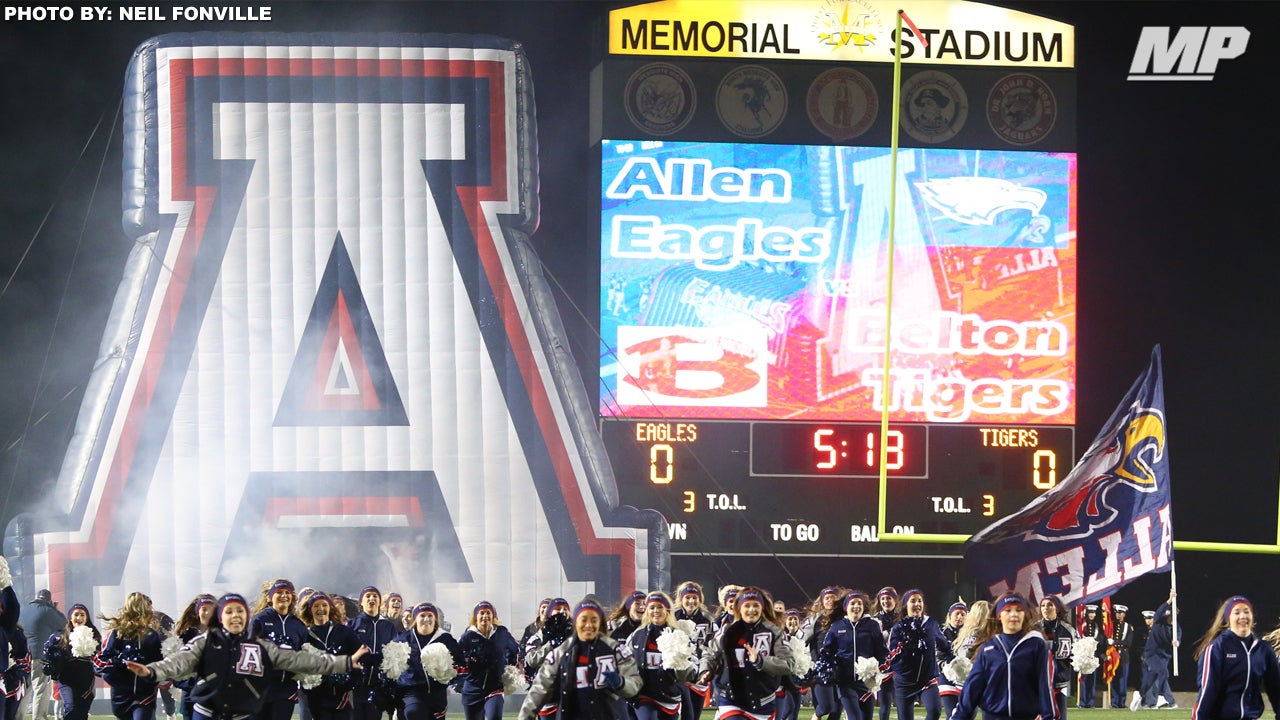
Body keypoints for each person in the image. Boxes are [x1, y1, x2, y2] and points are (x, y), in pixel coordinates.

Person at [122, 594, 368, 720]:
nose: (235, 615)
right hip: (206, 713)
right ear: (221, 617)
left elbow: (300, 660)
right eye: (229, 611)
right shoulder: (204, 642)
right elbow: (179, 662)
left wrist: (344, 662)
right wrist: (151, 671)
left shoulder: (260, 646)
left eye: (240, 611)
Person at [517, 599, 642, 720]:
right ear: (576, 622)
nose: (588, 625)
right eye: (584, 620)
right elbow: (539, 690)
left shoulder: (616, 650)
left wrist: (621, 683)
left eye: (594, 620)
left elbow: (635, 684)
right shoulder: (560, 653)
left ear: (600, 623)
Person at [950, 594, 1055, 720]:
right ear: (999, 615)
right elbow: (972, 688)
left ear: (1024, 615)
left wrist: (1048, 716)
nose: (1014, 614)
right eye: (1008, 610)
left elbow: (1044, 685)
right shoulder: (988, 649)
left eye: (1019, 610)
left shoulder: (1036, 645)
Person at [698, 586, 795, 720]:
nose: (751, 609)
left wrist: (761, 661)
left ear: (762, 607)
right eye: (747, 605)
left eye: (756, 605)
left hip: (762, 701)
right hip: (730, 698)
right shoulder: (727, 630)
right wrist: (706, 670)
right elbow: (710, 653)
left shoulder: (775, 632)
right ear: (739, 608)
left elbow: (788, 664)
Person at [1193, 596, 1280, 720]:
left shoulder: (1263, 650)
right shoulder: (1217, 648)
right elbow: (1207, 691)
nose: (1242, 616)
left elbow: (1276, 689)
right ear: (1228, 618)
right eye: (1237, 612)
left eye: (1246, 611)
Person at [625, 592, 697, 720]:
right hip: (644, 694)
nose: (655, 611)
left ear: (667, 610)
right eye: (652, 607)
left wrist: (680, 664)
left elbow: (690, 673)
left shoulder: (679, 636)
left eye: (660, 607)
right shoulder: (637, 635)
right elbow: (625, 662)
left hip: (669, 695)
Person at [93, 592, 165, 720]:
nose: (151, 613)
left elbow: (160, 664)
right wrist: (119, 662)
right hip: (121, 696)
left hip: (145, 694)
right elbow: (99, 661)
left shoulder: (152, 635)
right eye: (149, 609)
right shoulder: (116, 633)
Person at [818, 590, 887, 720]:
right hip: (845, 682)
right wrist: (829, 669)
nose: (856, 606)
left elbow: (882, 652)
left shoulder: (872, 625)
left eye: (859, 603)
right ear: (846, 608)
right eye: (852, 603)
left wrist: (879, 668)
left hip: (867, 684)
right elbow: (826, 652)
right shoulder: (837, 627)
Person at [885, 589, 953, 720]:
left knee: (935, 711)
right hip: (904, 682)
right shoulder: (898, 627)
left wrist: (952, 659)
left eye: (919, 601)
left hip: (927, 679)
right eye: (913, 601)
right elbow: (891, 654)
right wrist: (906, 646)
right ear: (906, 605)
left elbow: (943, 645)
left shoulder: (931, 624)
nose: (917, 604)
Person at [299, 592, 362, 720]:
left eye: (324, 605)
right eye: (316, 606)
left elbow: (359, 655)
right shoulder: (305, 636)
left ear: (330, 608)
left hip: (342, 696)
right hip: (317, 698)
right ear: (310, 610)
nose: (320, 609)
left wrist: (351, 679)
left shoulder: (343, 631)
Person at [396, 603, 462, 720]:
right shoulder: (403, 639)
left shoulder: (445, 638)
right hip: (411, 692)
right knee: (414, 713)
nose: (426, 619)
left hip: (438, 695)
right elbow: (391, 666)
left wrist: (453, 676)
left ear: (435, 619)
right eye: (422, 615)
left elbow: (459, 663)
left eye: (430, 615)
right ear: (415, 618)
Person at [456, 601, 520, 720]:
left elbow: (516, 649)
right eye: (482, 613)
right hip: (472, 689)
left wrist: (511, 668)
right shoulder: (467, 636)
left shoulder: (502, 632)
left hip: (495, 687)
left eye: (488, 612)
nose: (485, 616)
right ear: (476, 617)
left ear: (493, 616)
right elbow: (455, 659)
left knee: (494, 717)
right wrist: (460, 681)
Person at [42, 603, 100, 720]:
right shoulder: (59, 635)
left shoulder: (94, 635)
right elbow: (47, 651)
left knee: (82, 712)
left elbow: (100, 655)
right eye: (76, 614)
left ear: (87, 617)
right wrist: (53, 660)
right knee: (71, 708)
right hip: (66, 679)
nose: (79, 618)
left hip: (86, 680)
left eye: (82, 615)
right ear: (70, 617)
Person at [347, 587, 398, 720]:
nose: (372, 599)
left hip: (378, 686)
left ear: (380, 602)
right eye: (368, 596)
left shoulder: (388, 626)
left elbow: (395, 653)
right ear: (361, 602)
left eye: (375, 596)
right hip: (355, 685)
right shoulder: (352, 624)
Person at [672, 582, 714, 720]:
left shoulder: (707, 618)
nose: (691, 601)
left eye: (694, 597)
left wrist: (707, 667)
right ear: (680, 599)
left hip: (699, 671)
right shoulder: (672, 616)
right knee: (686, 713)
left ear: (700, 599)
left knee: (695, 713)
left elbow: (712, 644)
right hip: (679, 669)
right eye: (687, 597)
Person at [22, 590, 66, 720]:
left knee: (24, 690)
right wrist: (54, 609)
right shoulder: (47, 610)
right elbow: (64, 623)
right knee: (41, 688)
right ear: (48, 600)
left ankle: (17, 717)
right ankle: (39, 717)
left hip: (23, 656)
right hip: (39, 656)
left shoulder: (24, 610)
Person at [173, 595, 217, 720]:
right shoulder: (187, 635)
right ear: (198, 612)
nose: (208, 612)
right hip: (191, 696)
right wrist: (192, 684)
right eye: (204, 608)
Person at [804, 587, 845, 720]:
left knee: (837, 709)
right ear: (822, 601)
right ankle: (815, 717)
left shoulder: (843, 618)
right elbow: (800, 640)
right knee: (825, 707)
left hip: (841, 668)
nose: (830, 600)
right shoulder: (816, 619)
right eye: (827, 598)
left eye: (833, 597)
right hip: (822, 668)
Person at [1138, 593, 1181, 710]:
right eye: (1170, 614)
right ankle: (1158, 700)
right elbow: (1158, 612)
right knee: (1160, 673)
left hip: (1164, 655)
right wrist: (1169, 599)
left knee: (1161, 675)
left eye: (1174, 614)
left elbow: (1178, 635)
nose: (1171, 617)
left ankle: (1153, 700)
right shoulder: (1159, 621)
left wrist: (1177, 642)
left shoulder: (1175, 627)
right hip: (1152, 654)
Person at [1037, 596, 1076, 720]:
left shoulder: (1068, 629)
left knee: (1061, 717)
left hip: (1060, 683)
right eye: (1043, 605)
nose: (1046, 608)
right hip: (1038, 683)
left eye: (1049, 605)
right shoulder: (1033, 628)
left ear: (1057, 608)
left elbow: (1078, 651)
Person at [872, 588, 899, 720]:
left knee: (903, 703)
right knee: (885, 703)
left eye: (888, 598)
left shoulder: (902, 617)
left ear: (895, 600)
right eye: (882, 598)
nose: (885, 601)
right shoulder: (874, 619)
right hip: (884, 666)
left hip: (901, 665)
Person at [938, 601, 968, 718]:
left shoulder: (970, 634)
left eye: (962, 614)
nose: (959, 617)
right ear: (950, 616)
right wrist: (948, 666)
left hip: (966, 678)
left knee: (968, 714)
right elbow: (937, 657)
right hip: (947, 676)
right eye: (957, 614)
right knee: (951, 713)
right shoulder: (941, 633)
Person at [1078, 605, 1105, 708]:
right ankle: (1082, 702)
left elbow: (1101, 639)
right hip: (1083, 656)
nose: (1092, 615)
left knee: (1092, 680)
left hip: (1093, 655)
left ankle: (1090, 702)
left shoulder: (1097, 626)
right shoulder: (1082, 626)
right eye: (1090, 613)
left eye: (1093, 613)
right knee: (1083, 680)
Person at [1108, 605, 1134, 709]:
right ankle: (1114, 702)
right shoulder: (1111, 626)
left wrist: (1115, 642)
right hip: (1113, 656)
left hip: (1123, 656)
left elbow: (1128, 643)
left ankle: (1122, 702)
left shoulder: (1128, 627)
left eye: (1120, 613)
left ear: (1124, 614)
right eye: (1117, 613)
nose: (1118, 615)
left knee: (1123, 680)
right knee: (1113, 679)